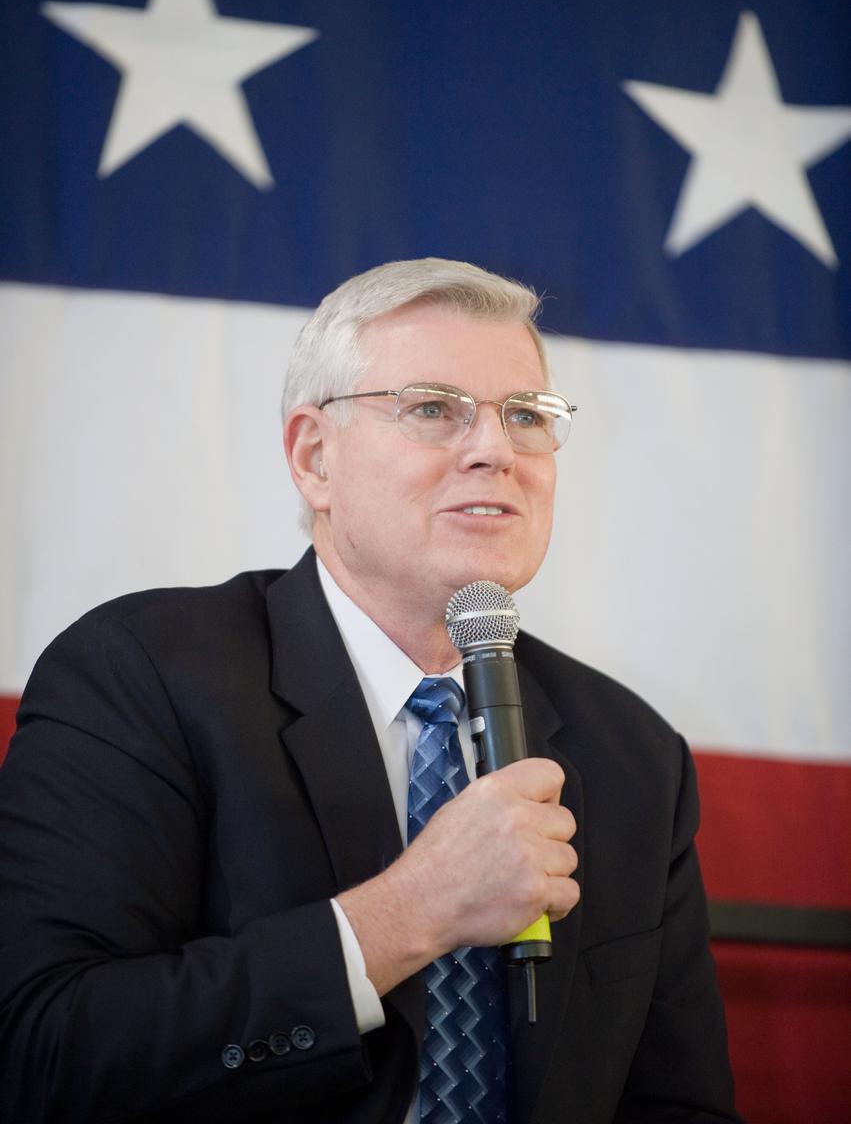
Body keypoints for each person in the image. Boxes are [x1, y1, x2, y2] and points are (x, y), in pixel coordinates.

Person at [0, 258, 740, 1123]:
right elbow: (41, 1052)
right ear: (313, 457)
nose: (495, 450)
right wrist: (407, 913)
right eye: (432, 408)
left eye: (524, 415)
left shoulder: (633, 753)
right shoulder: (142, 674)